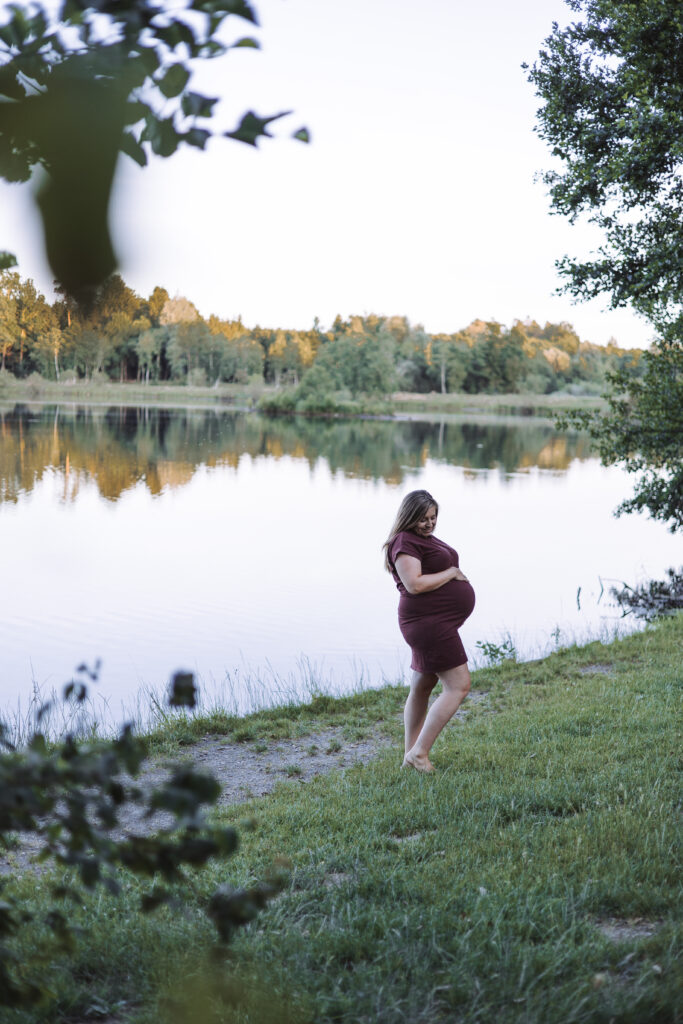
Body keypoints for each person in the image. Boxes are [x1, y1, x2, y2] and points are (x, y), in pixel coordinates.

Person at [383, 489, 475, 773]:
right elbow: (415, 584)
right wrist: (451, 573)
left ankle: (409, 756)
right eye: (423, 518)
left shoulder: (420, 540)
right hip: (430, 624)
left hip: (433, 621)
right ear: (409, 516)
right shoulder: (403, 541)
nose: (429, 523)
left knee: (422, 686)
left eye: (433, 517)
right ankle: (419, 754)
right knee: (458, 686)